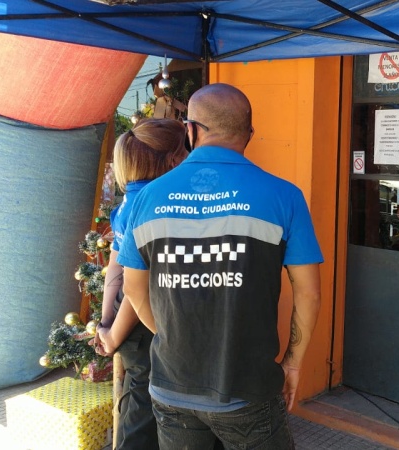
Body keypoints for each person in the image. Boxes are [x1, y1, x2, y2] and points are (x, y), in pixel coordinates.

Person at [116, 83, 323, 449]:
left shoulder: (147, 198)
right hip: (248, 389)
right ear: (249, 134)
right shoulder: (285, 196)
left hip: (171, 385)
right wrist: (292, 363)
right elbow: (308, 293)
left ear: (191, 130)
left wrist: (173, 335)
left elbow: (133, 288)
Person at [90, 118, 188, 450]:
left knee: (136, 400)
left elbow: (114, 269)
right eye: (185, 151)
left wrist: (105, 322)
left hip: (124, 322)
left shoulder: (125, 204)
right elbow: (136, 287)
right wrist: (113, 335)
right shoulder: (155, 206)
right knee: (142, 414)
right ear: (172, 159)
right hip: (142, 323)